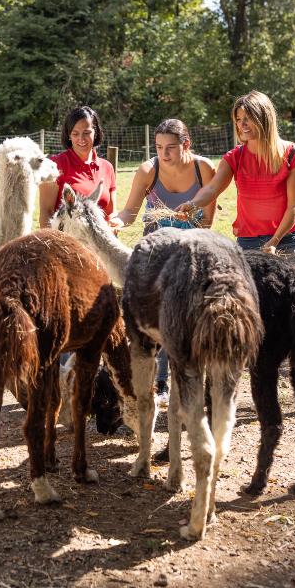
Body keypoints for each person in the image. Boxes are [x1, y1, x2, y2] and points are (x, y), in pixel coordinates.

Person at [177, 91, 295, 420]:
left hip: (290, 237)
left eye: (247, 119)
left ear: (264, 118)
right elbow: (213, 188)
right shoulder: (235, 157)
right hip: (249, 242)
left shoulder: (292, 155)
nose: (241, 125)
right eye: (237, 120)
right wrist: (193, 202)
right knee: (253, 318)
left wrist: (276, 242)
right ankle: (251, 393)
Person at [112, 119, 217, 407]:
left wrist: (192, 223)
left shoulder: (203, 168)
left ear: (187, 144)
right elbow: (130, 211)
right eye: (159, 147)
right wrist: (117, 221)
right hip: (156, 253)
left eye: (171, 147)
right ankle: (160, 383)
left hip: (191, 250)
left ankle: (193, 380)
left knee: (190, 315)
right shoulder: (149, 170)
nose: (164, 154)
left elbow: (207, 221)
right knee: (157, 315)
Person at [39, 106, 117, 229]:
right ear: (69, 135)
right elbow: (46, 213)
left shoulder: (107, 167)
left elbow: (111, 213)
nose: (81, 139)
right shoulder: (55, 165)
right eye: (75, 133)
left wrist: (115, 224)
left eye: (86, 133)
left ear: (95, 132)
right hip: (68, 244)